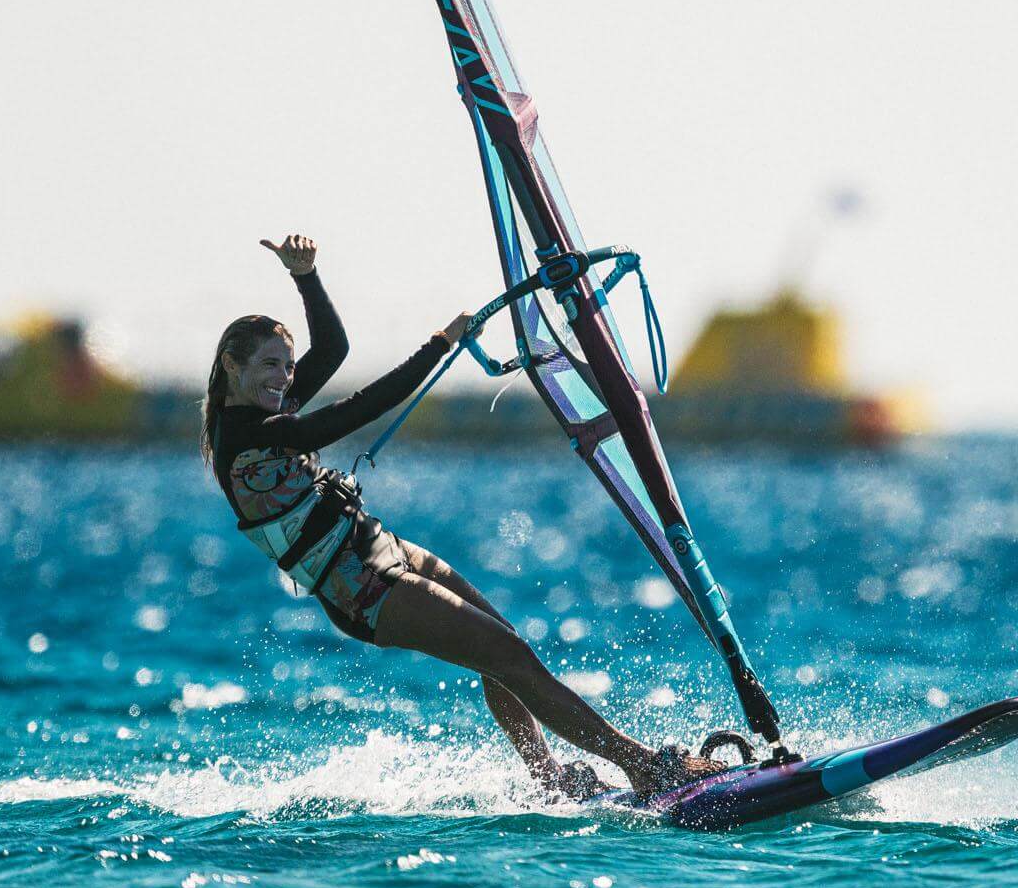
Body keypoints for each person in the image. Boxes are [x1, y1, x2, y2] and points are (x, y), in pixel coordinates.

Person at [202, 233, 726, 801]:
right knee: (508, 657)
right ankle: (643, 766)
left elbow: (332, 351)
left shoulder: (271, 406)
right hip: (363, 591)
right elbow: (356, 410)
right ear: (231, 367)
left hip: (383, 549)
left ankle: (549, 777)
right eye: (269, 366)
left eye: (286, 365)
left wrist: (306, 276)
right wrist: (437, 346)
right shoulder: (250, 434)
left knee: (503, 645)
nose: (284, 378)